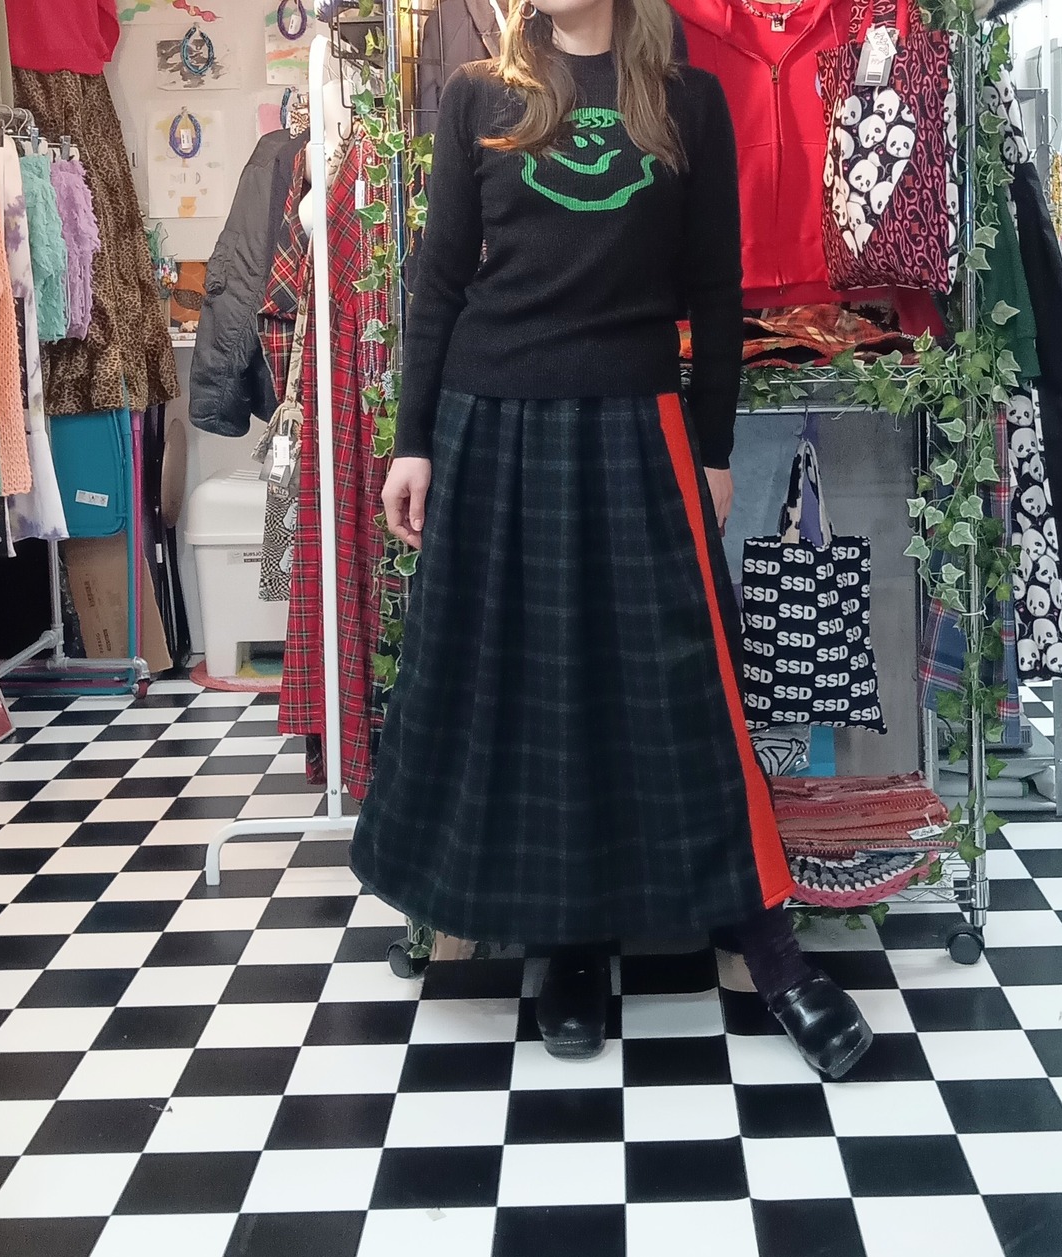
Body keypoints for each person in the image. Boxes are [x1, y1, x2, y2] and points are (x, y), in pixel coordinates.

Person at [349, 0, 873, 1079]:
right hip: (493, 423)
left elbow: (715, 289)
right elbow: (439, 278)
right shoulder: (477, 96)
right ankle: (571, 945)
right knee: (541, 691)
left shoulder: (689, 100)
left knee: (690, 691)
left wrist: (714, 450)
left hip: (640, 422)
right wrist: (413, 441)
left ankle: (773, 956)